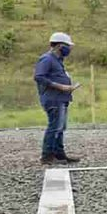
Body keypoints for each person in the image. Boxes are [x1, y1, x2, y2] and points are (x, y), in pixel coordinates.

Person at [34, 32, 81, 165]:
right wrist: (60, 86)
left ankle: (59, 154)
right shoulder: (47, 59)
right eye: (68, 46)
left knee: (60, 127)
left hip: (61, 98)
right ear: (60, 46)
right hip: (53, 98)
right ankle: (47, 156)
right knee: (55, 127)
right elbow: (39, 77)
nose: (70, 49)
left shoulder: (57, 60)